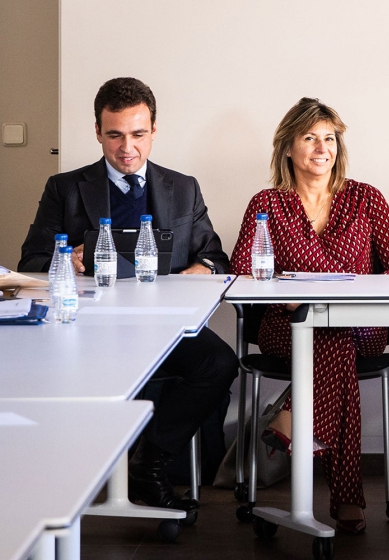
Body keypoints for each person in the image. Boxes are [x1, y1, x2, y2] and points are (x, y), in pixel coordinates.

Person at [18, 77, 238, 514]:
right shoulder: (65, 188)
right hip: (87, 330)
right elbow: (32, 262)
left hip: (164, 327)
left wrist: (199, 271)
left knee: (220, 363)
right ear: (97, 132)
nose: (127, 148)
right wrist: (67, 260)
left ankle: (150, 463)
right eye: (115, 134)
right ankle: (56, 479)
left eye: (138, 134)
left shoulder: (184, 187)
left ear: (154, 130)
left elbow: (216, 257)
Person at [230, 98, 389, 535]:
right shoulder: (268, 204)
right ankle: (347, 499)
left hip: (362, 325)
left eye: (329, 138)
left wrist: (358, 301)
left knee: (336, 335)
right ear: (288, 147)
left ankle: (294, 421)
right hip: (288, 326)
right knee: (331, 341)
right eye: (309, 137)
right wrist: (283, 295)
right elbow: (241, 272)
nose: (321, 147)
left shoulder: (366, 198)